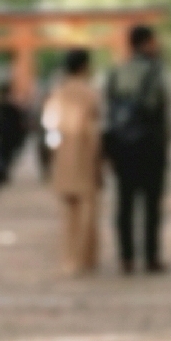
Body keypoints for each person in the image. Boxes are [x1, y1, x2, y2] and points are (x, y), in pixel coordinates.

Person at [103, 24, 171, 273]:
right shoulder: (157, 72)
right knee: (152, 204)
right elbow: (164, 106)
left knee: (125, 203)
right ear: (147, 43)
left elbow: (108, 110)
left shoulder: (116, 72)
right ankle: (151, 257)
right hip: (151, 146)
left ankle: (126, 258)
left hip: (123, 147)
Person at [42, 48, 103, 274]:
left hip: (64, 156)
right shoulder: (90, 93)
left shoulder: (58, 93)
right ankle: (85, 256)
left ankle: (69, 256)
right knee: (88, 209)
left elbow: (49, 126)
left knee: (68, 212)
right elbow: (96, 128)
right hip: (86, 155)